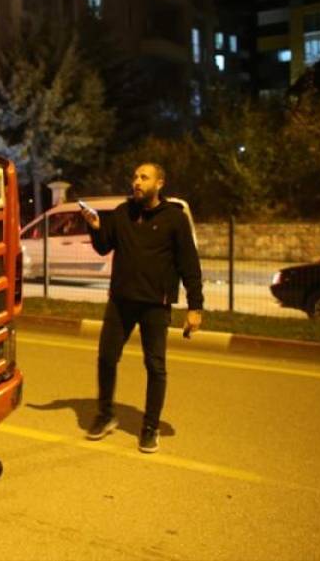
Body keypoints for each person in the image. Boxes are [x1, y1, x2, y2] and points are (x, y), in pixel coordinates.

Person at [79, 163, 203, 453]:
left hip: (155, 305)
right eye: (135, 177)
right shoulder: (123, 213)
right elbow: (103, 246)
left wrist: (195, 307)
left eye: (144, 177)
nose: (136, 181)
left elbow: (189, 264)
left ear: (159, 183)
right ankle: (106, 414)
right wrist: (94, 227)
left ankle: (150, 427)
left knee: (155, 366)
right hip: (121, 301)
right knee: (106, 357)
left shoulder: (174, 218)